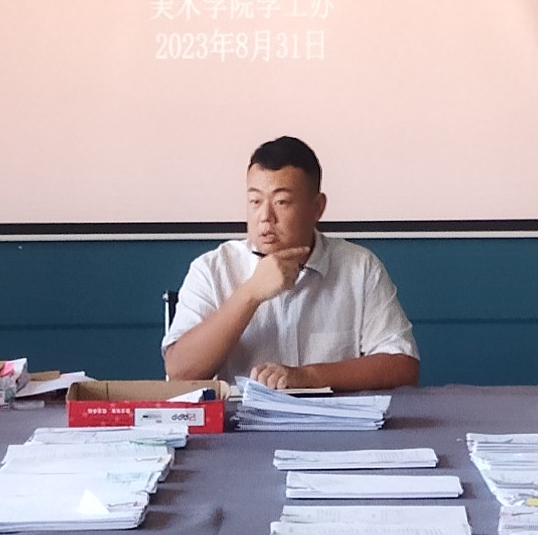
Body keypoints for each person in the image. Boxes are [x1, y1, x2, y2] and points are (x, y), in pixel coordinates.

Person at [162, 136, 419, 392]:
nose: (265, 217)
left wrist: (307, 376)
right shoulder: (212, 269)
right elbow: (180, 373)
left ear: (317, 208)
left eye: (281, 202)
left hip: (332, 418)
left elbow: (402, 365)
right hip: (242, 418)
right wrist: (249, 294)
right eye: (255, 201)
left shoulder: (359, 267)